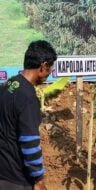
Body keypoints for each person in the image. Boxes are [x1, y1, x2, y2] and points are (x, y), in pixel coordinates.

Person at [0, 40, 57, 190]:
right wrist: (38, 179)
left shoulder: (8, 85)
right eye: (50, 69)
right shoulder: (28, 98)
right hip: (16, 178)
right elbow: (30, 143)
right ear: (43, 66)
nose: (49, 74)